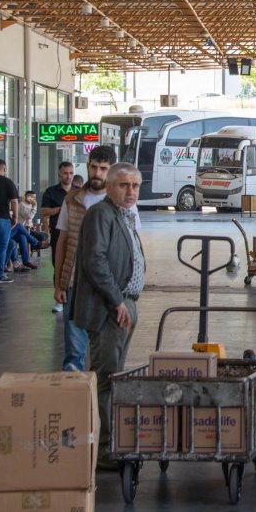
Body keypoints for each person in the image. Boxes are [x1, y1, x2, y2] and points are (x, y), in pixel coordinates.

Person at [71, 162, 145, 470]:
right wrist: (117, 301)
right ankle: (105, 450)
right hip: (110, 308)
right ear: (110, 186)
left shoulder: (123, 216)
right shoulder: (100, 214)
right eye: (123, 185)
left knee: (115, 374)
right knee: (107, 377)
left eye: (135, 186)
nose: (130, 192)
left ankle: (113, 440)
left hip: (125, 303)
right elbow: (95, 261)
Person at [54, 146, 122, 372]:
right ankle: (73, 401)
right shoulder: (73, 200)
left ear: (111, 170)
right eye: (94, 167)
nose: (97, 173)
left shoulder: (121, 202)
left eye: (103, 169)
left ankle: (100, 403)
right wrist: (59, 283)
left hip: (107, 286)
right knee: (74, 351)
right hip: (75, 284)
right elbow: (62, 241)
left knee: (106, 352)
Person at [42, 161, 75, 313]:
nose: (68, 176)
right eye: (65, 173)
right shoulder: (51, 192)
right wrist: (62, 209)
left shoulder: (79, 192)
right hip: (57, 233)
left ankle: (74, 297)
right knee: (58, 265)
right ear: (59, 174)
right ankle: (59, 299)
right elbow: (45, 211)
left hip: (76, 235)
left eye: (70, 173)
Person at [7, 190, 44, 271]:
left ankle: (25, 262)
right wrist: (35, 206)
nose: (34, 199)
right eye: (32, 197)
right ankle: (35, 243)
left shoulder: (28, 205)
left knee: (23, 237)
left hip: (23, 229)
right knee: (21, 227)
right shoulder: (22, 205)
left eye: (35, 197)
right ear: (27, 197)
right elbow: (29, 216)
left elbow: (29, 220)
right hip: (18, 229)